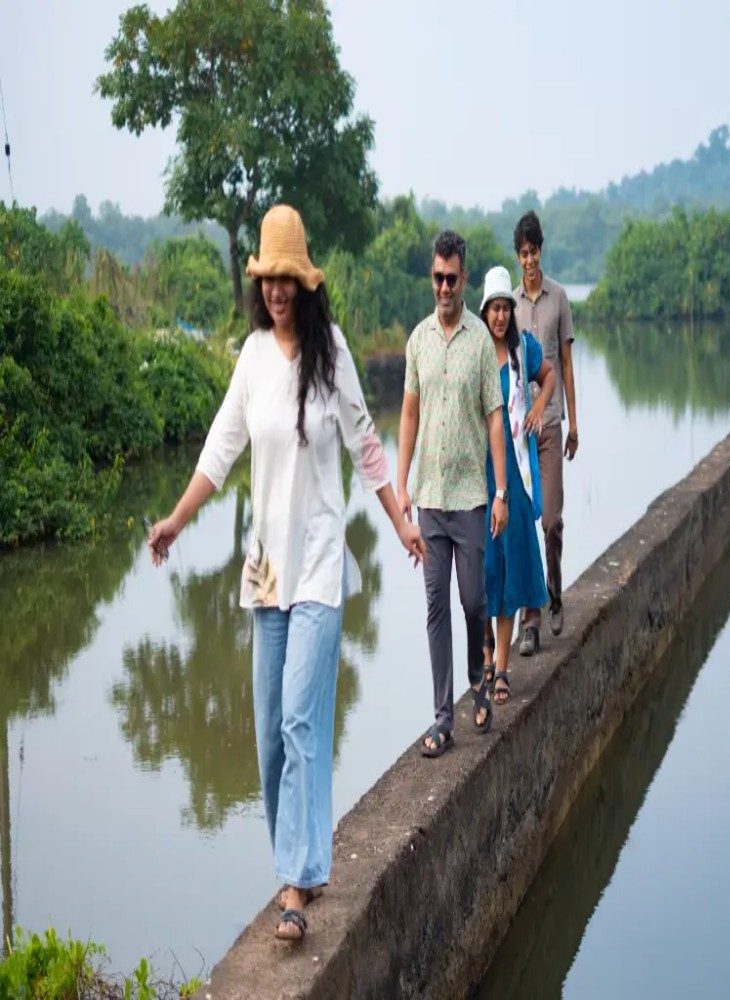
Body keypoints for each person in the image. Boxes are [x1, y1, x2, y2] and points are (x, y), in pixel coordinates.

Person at [145, 205, 425, 944]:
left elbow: (367, 444)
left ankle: (296, 882)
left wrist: (397, 516)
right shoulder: (251, 359)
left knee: (302, 721)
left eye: (286, 279)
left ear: (305, 284)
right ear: (260, 284)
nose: (275, 290)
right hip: (267, 569)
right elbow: (218, 453)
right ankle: (298, 859)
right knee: (269, 736)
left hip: (324, 564)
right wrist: (175, 520)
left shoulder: (330, 352)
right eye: (267, 279)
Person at [397, 230, 509, 758]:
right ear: (432, 277)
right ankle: (444, 718)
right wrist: (401, 487)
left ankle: (479, 678)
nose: (444, 286)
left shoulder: (480, 341)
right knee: (435, 606)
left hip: (470, 495)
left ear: (465, 278)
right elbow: (409, 414)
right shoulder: (418, 340)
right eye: (438, 278)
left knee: (472, 600)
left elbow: (495, 418)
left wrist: (502, 490)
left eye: (452, 278)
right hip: (430, 497)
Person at [479, 266, 555, 705]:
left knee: (508, 569)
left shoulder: (521, 351)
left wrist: (539, 407)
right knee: (484, 573)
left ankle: (501, 668)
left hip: (516, 477)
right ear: (485, 311)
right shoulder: (473, 354)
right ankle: (487, 656)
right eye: (495, 308)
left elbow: (548, 378)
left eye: (507, 308)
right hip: (481, 478)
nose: (501, 316)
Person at [512, 210, 579, 655]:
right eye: (523, 253)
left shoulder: (559, 299)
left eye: (534, 252)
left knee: (550, 521)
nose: (530, 260)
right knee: (521, 525)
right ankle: (529, 619)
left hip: (552, 426)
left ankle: (554, 592)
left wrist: (575, 422)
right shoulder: (508, 305)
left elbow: (566, 364)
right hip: (520, 435)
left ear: (542, 251)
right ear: (517, 257)